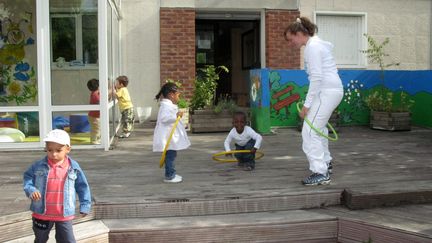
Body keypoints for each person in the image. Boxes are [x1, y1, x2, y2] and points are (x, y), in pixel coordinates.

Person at [284, 17, 343, 185]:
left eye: (291, 39)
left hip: (327, 91)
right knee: (319, 128)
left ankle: (320, 172)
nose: (291, 43)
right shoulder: (315, 45)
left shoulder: (313, 47)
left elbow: (316, 77)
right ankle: (326, 163)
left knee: (309, 132)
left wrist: (306, 106)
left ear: (300, 34)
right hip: (329, 91)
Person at [23, 129, 92, 242]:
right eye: (50, 150)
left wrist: (85, 205)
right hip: (42, 213)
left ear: (68, 149)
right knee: (40, 239)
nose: (54, 154)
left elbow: (82, 186)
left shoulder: (73, 167)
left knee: (67, 240)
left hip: (64, 214)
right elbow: (27, 178)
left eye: (58, 150)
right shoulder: (38, 166)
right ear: (45, 148)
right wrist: (31, 189)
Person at [153, 82, 190, 183]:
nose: (179, 97)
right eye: (178, 95)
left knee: (171, 155)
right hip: (168, 137)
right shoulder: (166, 106)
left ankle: (171, 173)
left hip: (170, 136)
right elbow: (164, 118)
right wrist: (176, 116)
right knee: (170, 156)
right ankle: (170, 175)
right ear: (171, 95)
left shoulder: (168, 105)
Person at [87, 78, 101, 144]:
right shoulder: (95, 94)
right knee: (96, 129)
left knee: (97, 128)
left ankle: (97, 139)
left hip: (94, 115)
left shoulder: (95, 93)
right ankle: (94, 141)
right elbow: (99, 102)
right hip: (94, 116)